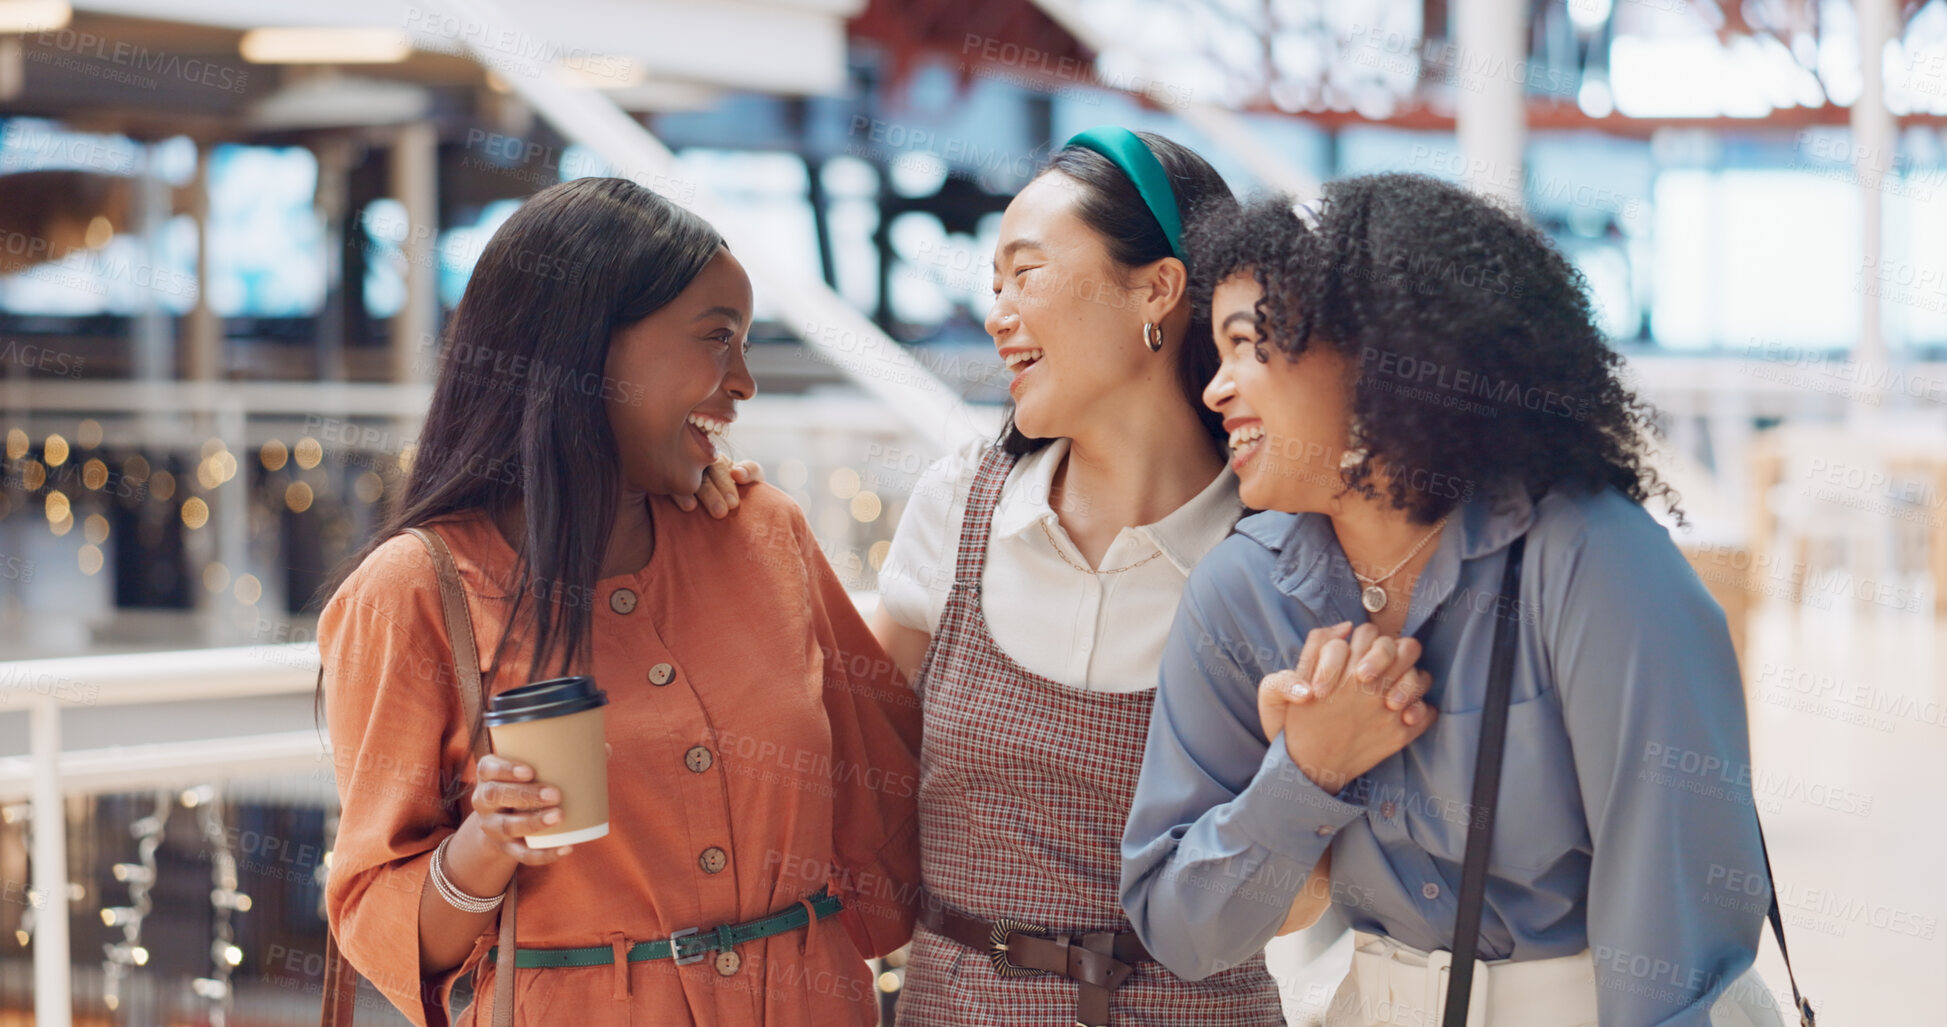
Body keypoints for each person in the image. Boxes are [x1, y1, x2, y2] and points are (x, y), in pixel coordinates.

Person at [1122, 174, 1786, 1026]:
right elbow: (1180, 929)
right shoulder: (1239, 591)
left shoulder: (1591, 561)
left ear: (1382, 354)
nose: (1217, 388)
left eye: (1251, 345)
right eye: (1216, 355)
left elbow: (1675, 960)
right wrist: (1305, 772)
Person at [318, 176, 921, 1027]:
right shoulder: (411, 592)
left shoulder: (763, 532)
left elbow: (898, 787)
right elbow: (378, 925)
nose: (743, 381)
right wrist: (481, 849)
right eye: (717, 338)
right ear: (585, 350)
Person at [868, 127, 1332, 1027]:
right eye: (992, 283)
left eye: (1026, 271)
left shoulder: (1287, 553)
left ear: (1155, 288)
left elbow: (1309, 886)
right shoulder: (957, 506)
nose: (998, 309)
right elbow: (851, 774)